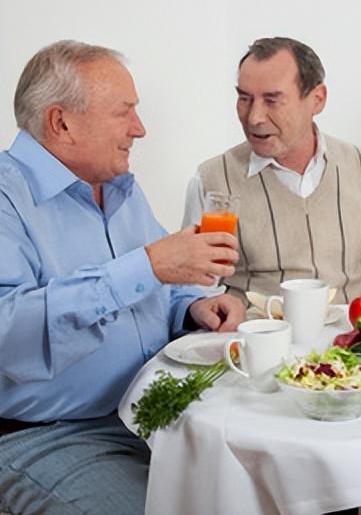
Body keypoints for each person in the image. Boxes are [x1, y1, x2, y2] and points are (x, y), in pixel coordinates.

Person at [0, 40, 245, 514]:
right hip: (54, 434)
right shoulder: (7, 197)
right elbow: (7, 332)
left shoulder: (119, 188)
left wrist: (193, 306)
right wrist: (147, 266)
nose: (140, 128)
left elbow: (160, 286)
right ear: (61, 123)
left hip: (156, 415)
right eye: (123, 112)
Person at [183, 37, 361, 305]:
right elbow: (196, 294)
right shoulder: (212, 180)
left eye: (272, 100)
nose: (254, 117)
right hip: (253, 330)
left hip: (351, 330)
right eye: (244, 98)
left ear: (317, 99)